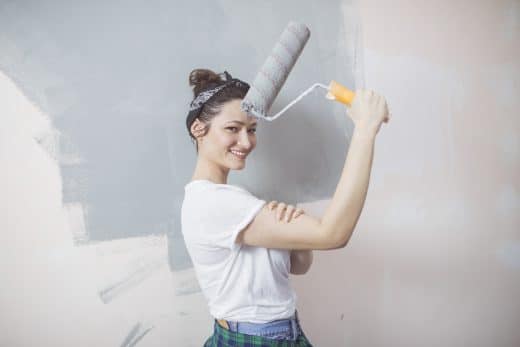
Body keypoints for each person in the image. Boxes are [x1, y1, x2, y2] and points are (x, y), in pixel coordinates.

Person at [181, 68, 390, 346]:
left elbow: (299, 265)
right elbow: (334, 234)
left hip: (283, 331)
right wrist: (365, 129)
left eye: (252, 129)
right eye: (232, 128)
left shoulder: (236, 198)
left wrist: (297, 230)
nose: (246, 141)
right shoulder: (213, 202)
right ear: (198, 129)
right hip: (255, 339)